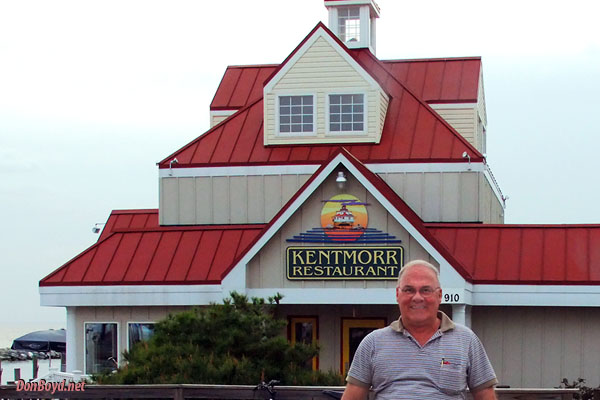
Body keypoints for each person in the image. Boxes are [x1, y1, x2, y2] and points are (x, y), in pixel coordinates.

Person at [342, 260, 498, 400]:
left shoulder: (466, 340)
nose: (417, 297)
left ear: (439, 295)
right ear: (397, 294)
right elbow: (352, 396)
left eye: (425, 290)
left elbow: (485, 395)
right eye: (409, 290)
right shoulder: (373, 343)